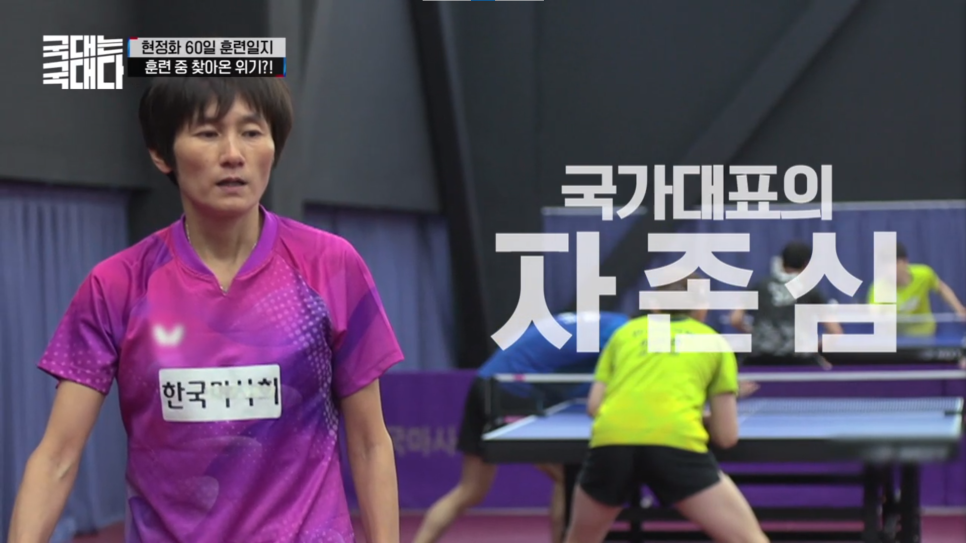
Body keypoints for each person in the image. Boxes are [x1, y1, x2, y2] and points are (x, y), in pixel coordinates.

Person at [8, 78, 403, 543]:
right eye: (208, 133)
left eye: (252, 132)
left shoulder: (331, 267)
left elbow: (370, 443)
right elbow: (57, 457)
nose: (233, 154)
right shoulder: (116, 285)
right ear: (161, 154)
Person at [564, 275, 766, 543]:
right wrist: (697, 417)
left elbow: (594, 407)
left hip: (612, 445)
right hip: (676, 446)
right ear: (702, 308)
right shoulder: (714, 341)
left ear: (655, 305)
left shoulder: (624, 334)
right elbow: (726, 437)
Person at [412, 311, 630, 543]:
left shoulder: (606, 322)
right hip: (511, 388)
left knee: (470, 490)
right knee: (569, 479)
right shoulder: (621, 333)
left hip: (485, 382)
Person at [729, 241, 843, 367]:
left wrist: (755, 333)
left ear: (781, 262)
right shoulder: (810, 290)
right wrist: (813, 348)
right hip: (799, 359)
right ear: (806, 264)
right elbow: (835, 331)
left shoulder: (760, 286)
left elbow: (735, 319)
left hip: (760, 357)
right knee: (826, 369)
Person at [867, 242, 966, 337]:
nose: (888, 270)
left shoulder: (924, 274)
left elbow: (941, 288)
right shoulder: (878, 288)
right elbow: (875, 314)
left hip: (927, 336)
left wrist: (959, 309)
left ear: (904, 262)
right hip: (898, 340)